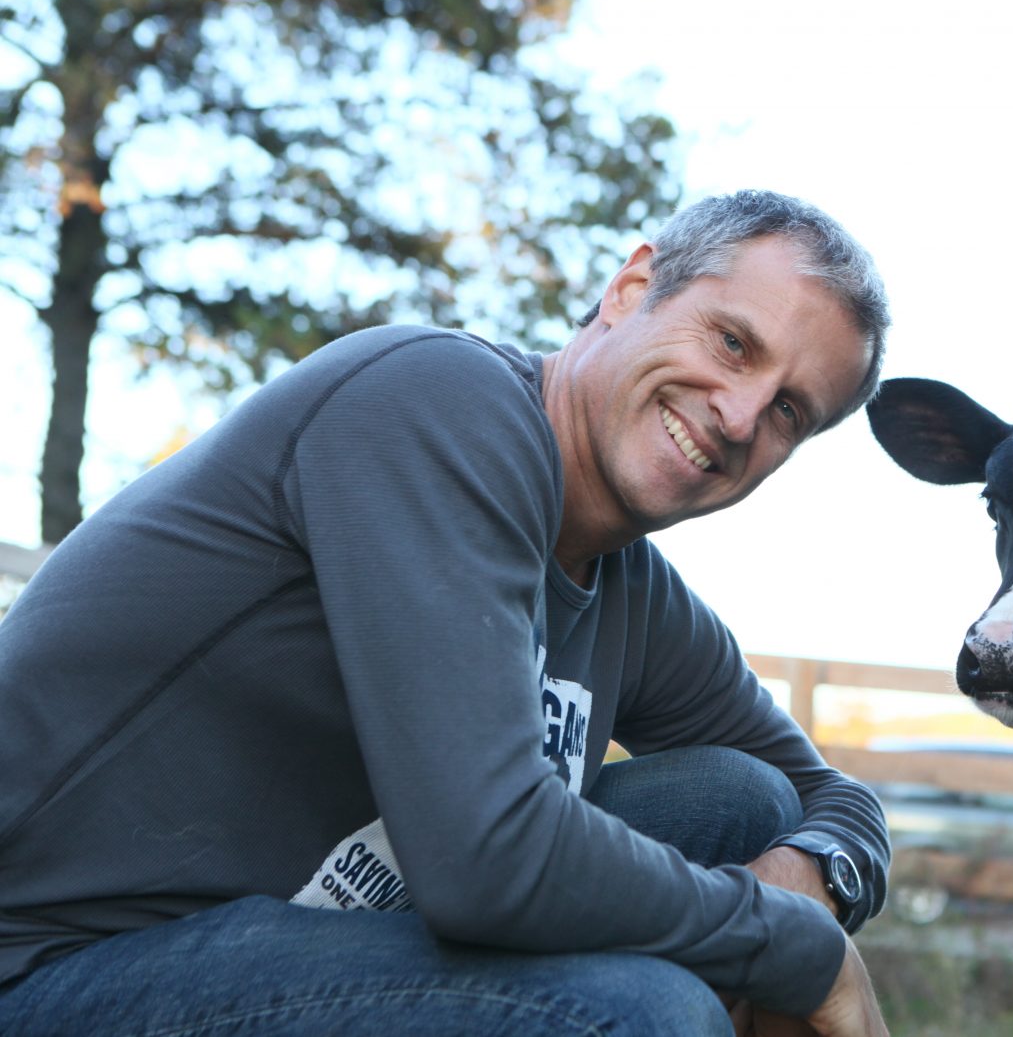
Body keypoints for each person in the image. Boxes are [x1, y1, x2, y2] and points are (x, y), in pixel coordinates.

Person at [0, 190, 893, 1036]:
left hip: (281, 934)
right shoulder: (435, 405)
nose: (739, 416)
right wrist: (797, 944)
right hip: (51, 959)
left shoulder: (631, 588)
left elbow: (830, 798)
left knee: (741, 800)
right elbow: (487, 862)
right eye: (734, 343)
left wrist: (815, 879)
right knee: (638, 1014)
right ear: (631, 289)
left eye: (787, 410)